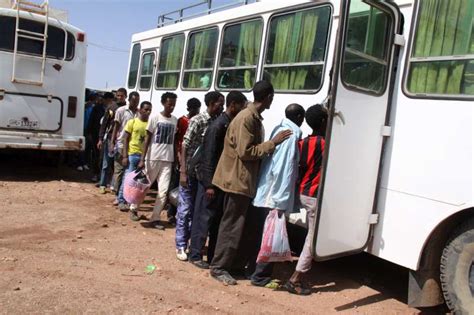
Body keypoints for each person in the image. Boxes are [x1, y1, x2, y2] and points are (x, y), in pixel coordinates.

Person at [209, 81, 292, 285]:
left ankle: (233, 266)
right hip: (237, 180)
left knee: (239, 226)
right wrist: (274, 143)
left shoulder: (251, 117)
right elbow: (246, 152)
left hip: (242, 180)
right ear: (268, 98)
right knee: (232, 226)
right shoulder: (247, 118)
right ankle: (219, 267)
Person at [189, 91, 247, 269]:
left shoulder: (228, 123)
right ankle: (195, 254)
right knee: (203, 218)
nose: (221, 106)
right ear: (234, 105)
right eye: (220, 103)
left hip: (220, 180)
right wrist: (208, 185)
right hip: (210, 182)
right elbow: (209, 156)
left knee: (215, 220)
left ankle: (212, 255)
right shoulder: (218, 126)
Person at [249, 104, 306, 289]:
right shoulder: (290, 136)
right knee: (271, 237)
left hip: (269, 193)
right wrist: (280, 201)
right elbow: (283, 170)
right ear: (299, 116)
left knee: (264, 234)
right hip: (274, 196)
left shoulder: (281, 129)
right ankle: (260, 276)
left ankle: (254, 271)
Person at [283, 104, 327, 296]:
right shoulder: (326, 144)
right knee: (312, 237)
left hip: (302, 191)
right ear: (324, 122)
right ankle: (296, 278)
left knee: (311, 234)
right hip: (314, 195)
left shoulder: (303, 142)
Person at [176, 91, 224, 261]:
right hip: (189, 172)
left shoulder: (216, 122)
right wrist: (182, 171)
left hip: (201, 175)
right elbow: (185, 145)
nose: (222, 107)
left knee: (196, 212)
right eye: (220, 103)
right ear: (211, 103)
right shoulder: (198, 120)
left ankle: (191, 244)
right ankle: (180, 245)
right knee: (185, 210)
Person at [138, 92, 179, 230]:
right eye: (169, 104)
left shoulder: (174, 120)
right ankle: (134, 207)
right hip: (153, 158)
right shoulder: (155, 118)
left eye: (174, 104)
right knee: (146, 187)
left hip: (167, 160)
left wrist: (175, 160)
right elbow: (147, 139)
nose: (172, 107)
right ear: (163, 103)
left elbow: (173, 141)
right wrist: (142, 159)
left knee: (163, 191)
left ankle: (155, 217)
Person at [167, 98, 201, 224]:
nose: (196, 111)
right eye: (195, 109)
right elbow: (178, 140)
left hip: (190, 159)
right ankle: (171, 212)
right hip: (181, 156)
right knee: (175, 185)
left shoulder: (196, 121)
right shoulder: (182, 121)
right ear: (190, 109)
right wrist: (178, 156)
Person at [121, 101, 153, 221]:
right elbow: (125, 139)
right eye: (146, 109)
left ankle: (131, 201)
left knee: (137, 182)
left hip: (143, 156)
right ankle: (121, 199)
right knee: (129, 178)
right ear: (140, 110)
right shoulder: (132, 122)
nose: (148, 112)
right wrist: (125, 155)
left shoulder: (150, 124)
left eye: (150, 110)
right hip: (133, 154)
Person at [114, 91, 140, 210]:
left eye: (137, 102)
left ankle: (123, 197)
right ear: (129, 100)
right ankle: (118, 196)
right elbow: (116, 127)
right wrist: (112, 142)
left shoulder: (139, 113)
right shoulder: (121, 111)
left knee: (128, 173)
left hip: (132, 146)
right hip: (121, 143)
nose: (135, 104)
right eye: (134, 101)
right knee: (120, 172)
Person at [97, 92, 118, 194]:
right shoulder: (111, 108)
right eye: (118, 95)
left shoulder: (127, 109)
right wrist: (100, 138)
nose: (120, 97)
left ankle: (114, 186)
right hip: (109, 139)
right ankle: (103, 184)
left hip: (121, 141)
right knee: (106, 163)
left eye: (122, 96)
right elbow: (104, 124)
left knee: (117, 166)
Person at [86, 93, 105, 182]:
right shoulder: (96, 109)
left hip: (106, 137)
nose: (99, 101)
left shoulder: (109, 109)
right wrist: (89, 133)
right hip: (96, 135)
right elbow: (91, 121)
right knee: (96, 155)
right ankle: (96, 174)